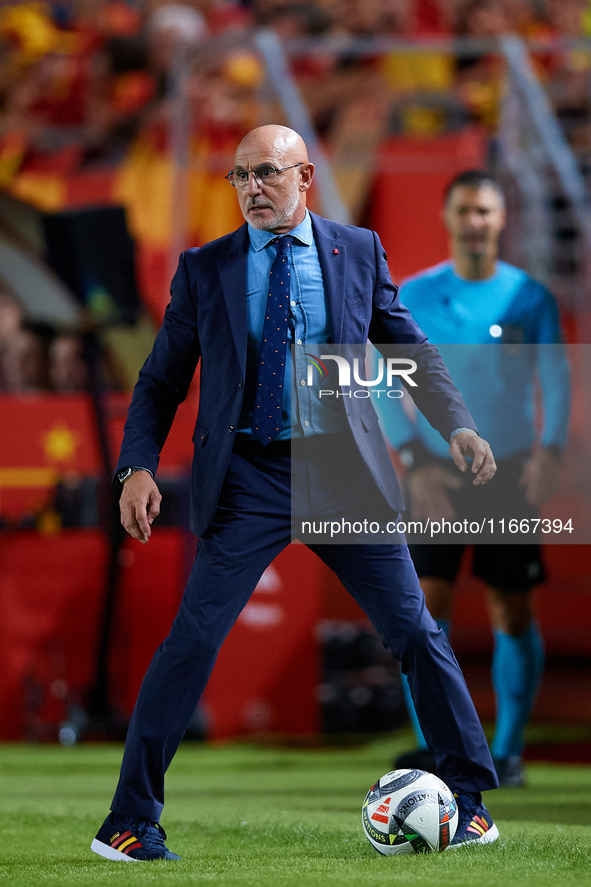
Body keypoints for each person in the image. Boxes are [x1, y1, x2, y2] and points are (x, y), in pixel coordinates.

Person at [91, 125, 500, 863]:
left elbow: (407, 348)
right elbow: (158, 383)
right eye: (240, 176)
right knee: (192, 640)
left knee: (413, 631)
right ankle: (127, 821)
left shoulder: (357, 250)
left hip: (344, 473)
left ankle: (469, 801)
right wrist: (135, 467)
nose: (252, 188)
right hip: (248, 477)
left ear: (304, 175)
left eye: (266, 174)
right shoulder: (204, 268)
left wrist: (458, 426)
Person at [378, 170, 570, 788]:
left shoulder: (529, 298)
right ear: (447, 216)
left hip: (508, 472)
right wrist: (409, 457)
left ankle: (507, 752)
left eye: (484, 210)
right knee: (421, 610)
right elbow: (384, 379)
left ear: (501, 218)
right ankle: (439, 749)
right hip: (435, 472)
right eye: (464, 210)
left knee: (510, 609)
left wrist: (551, 449)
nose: (475, 222)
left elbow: (558, 380)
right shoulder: (414, 295)